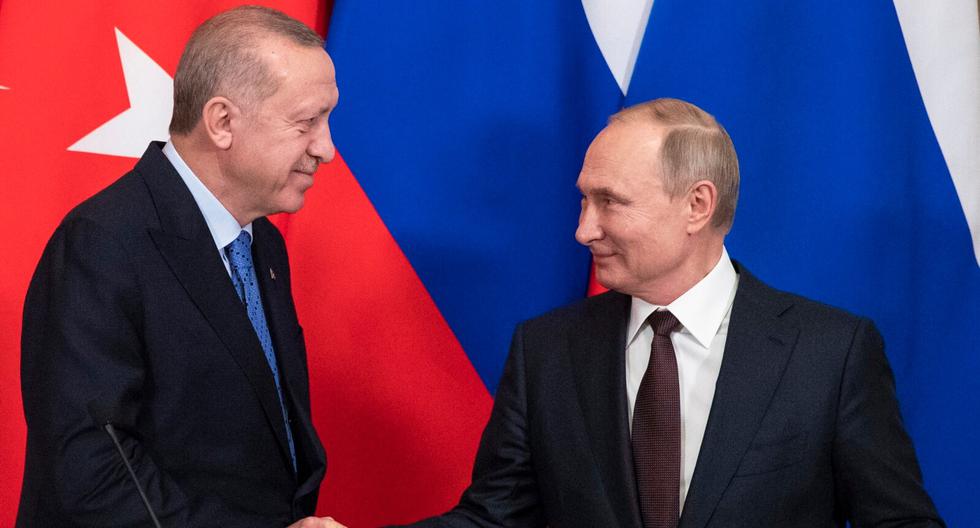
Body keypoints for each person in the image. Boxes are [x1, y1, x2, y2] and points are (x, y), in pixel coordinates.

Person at [398, 98, 944, 527]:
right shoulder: (546, 351)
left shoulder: (831, 353)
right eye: (584, 201)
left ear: (697, 205)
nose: (584, 229)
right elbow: (493, 519)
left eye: (610, 201)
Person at [18, 6, 345, 527]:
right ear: (221, 122)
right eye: (306, 122)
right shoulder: (101, 244)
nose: (326, 148)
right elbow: (92, 473)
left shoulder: (262, 242)